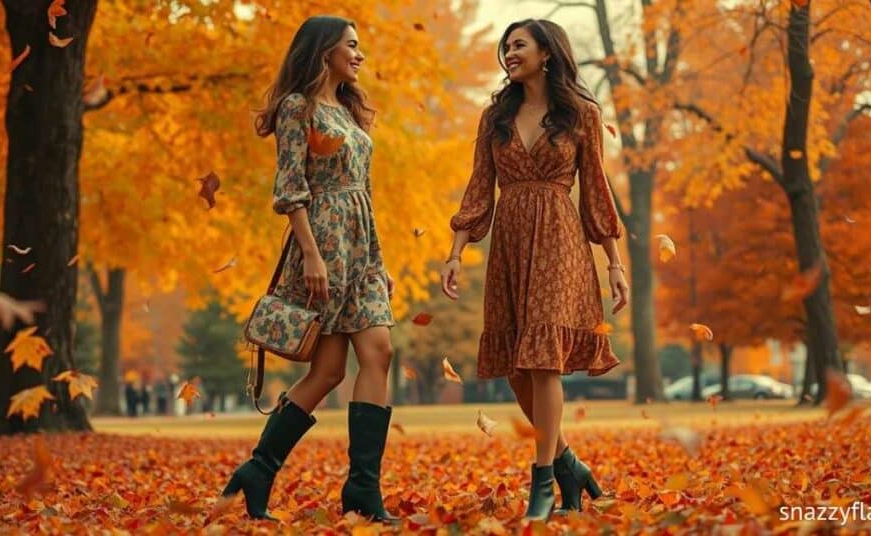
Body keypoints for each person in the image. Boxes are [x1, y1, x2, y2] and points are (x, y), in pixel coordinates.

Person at [441, 19, 630, 521]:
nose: (508, 52)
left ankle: (543, 478)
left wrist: (614, 263)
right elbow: (479, 188)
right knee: (517, 368)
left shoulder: (581, 114)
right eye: (505, 46)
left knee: (543, 359)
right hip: (509, 241)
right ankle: (571, 465)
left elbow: (596, 191)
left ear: (547, 53)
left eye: (518, 44)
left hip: (559, 241)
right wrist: (456, 252)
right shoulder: (495, 116)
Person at [221, 15, 398, 523]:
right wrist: (313, 255)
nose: (360, 55)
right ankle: (259, 469)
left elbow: (364, 194)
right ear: (324, 51)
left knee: (380, 351)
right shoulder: (298, 107)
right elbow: (290, 187)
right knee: (326, 372)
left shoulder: (347, 109)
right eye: (352, 46)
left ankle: (362, 488)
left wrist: (378, 261)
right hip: (320, 245)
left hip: (361, 249)